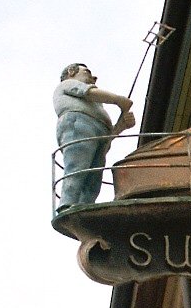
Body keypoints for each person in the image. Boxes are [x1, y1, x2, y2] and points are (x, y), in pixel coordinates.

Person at [53, 63, 135, 211]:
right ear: (72, 72)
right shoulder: (68, 84)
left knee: (94, 176)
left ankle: (85, 205)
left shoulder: (97, 104)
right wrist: (118, 100)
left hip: (99, 135)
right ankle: (68, 201)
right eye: (87, 72)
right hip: (78, 124)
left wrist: (121, 125)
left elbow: (109, 138)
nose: (94, 77)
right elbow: (88, 92)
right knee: (78, 165)